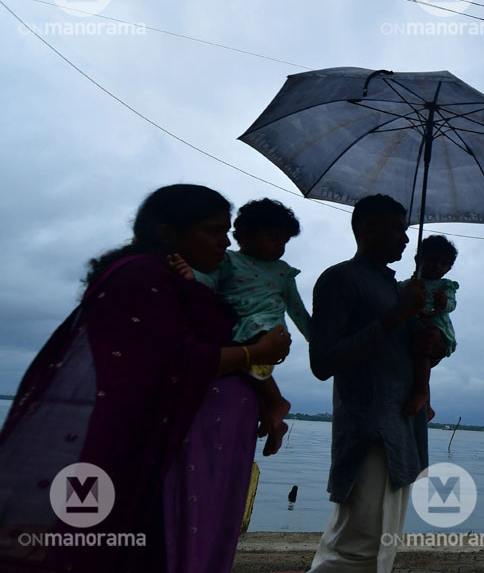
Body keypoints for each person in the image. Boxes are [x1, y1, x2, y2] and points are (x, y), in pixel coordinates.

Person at [0, 184, 292, 573]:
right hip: (140, 441)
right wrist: (254, 354)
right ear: (167, 233)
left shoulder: (175, 281)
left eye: (226, 231)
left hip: (176, 436)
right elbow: (171, 362)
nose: (225, 242)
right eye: (213, 230)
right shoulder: (139, 278)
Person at [307, 194, 432, 573]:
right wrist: (398, 314)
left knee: (383, 544)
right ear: (366, 228)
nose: (405, 239)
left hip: (403, 428)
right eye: (398, 229)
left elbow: (398, 353)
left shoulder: (399, 288)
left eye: (406, 230)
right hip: (368, 430)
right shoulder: (339, 279)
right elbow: (323, 361)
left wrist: (428, 341)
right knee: (355, 548)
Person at [174, 198, 310, 455]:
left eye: (284, 241)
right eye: (273, 237)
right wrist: (190, 275)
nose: (279, 247)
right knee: (243, 368)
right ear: (244, 235)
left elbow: (297, 310)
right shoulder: (227, 261)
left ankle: (277, 402)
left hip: (266, 327)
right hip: (233, 330)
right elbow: (207, 283)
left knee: (253, 345)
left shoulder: (282, 271)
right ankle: (272, 417)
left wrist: (316, 337)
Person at [401, 234, 459, 420]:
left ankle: (423, 395)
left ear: (449, 269)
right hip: (413, 327)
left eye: (443, 264)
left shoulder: (445, 286)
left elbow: (452, 304)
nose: (437, 266)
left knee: (422, 354)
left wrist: (443, 303)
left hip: (435, 328)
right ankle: (424, 401)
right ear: (419, 259)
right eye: (432, 260)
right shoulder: (406, 285)